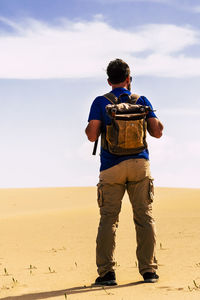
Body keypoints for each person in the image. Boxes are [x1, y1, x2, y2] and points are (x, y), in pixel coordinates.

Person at [85, 58, 163, 286]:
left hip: (111, 168)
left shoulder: (101, 101)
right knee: (145, 218)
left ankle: (107, 274)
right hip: (140, 165)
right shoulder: (141, 100)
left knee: (108, 220)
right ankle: (149, 271)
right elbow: (157, 132)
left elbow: (91, 135)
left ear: (109, 80)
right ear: (129, 79)